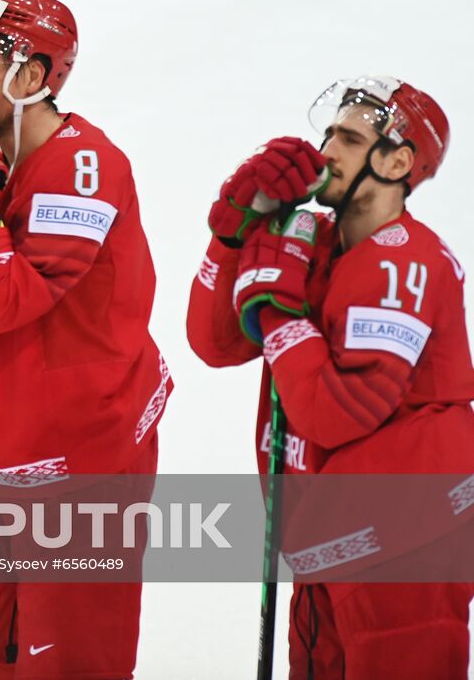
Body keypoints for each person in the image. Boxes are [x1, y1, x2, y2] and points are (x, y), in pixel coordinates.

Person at [0, 0, 170, 678]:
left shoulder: (86, 168)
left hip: (83, 454)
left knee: (71, 662)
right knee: (7, 653)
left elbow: (0, 303)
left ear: (36, 77)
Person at [187, 75, 474, 679]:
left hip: (404, 545)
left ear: (398, 162)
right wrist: (234, 233)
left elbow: (337, 411)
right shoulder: (311, 240)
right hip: (334, 534)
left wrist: (275, 312)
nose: (325, 152)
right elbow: (213, 343)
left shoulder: (407, 263)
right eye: (328, 134)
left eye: (348, 138)